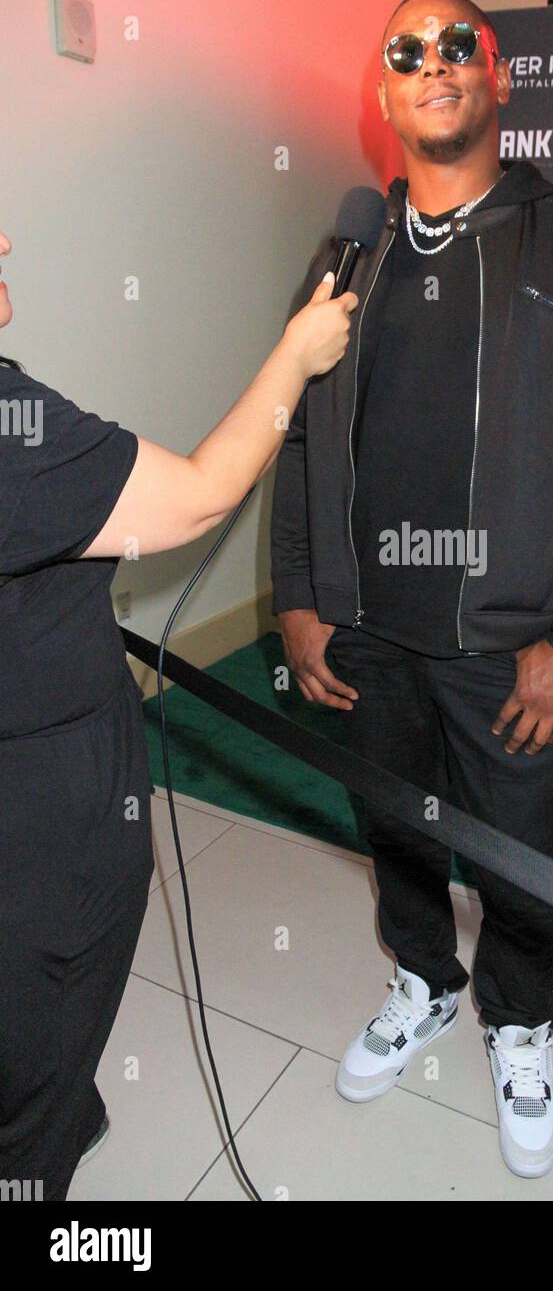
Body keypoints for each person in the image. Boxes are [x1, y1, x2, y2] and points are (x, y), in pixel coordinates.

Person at [271, 0, 553, 1179]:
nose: (433, 63)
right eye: (405, 51)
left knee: (516, 854)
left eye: (459, 45)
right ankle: (423, 978)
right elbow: (297, 432)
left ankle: (518, 1017)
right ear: (382, 92)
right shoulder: (350, 251)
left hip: (515, 643)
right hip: (362, 627)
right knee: (393, 824)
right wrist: (297, 594)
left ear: (496, 79)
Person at [0, 226, 357, 1201]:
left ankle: (55, 1107)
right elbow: (199, 498)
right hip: (42, 795)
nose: (3, 238)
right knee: (50, 996)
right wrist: (293, 353)